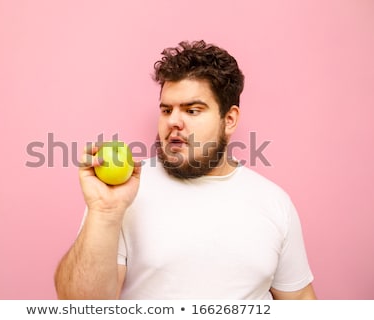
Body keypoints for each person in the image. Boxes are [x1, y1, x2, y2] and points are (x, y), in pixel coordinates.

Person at [54, 40, 317, 300]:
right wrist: (105, 212)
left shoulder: (274, 202)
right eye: (167, 110)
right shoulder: (121, 194)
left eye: (192, 110)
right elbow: (80, 306)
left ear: (229, 119)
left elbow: (300, 299)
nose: (173, 122)